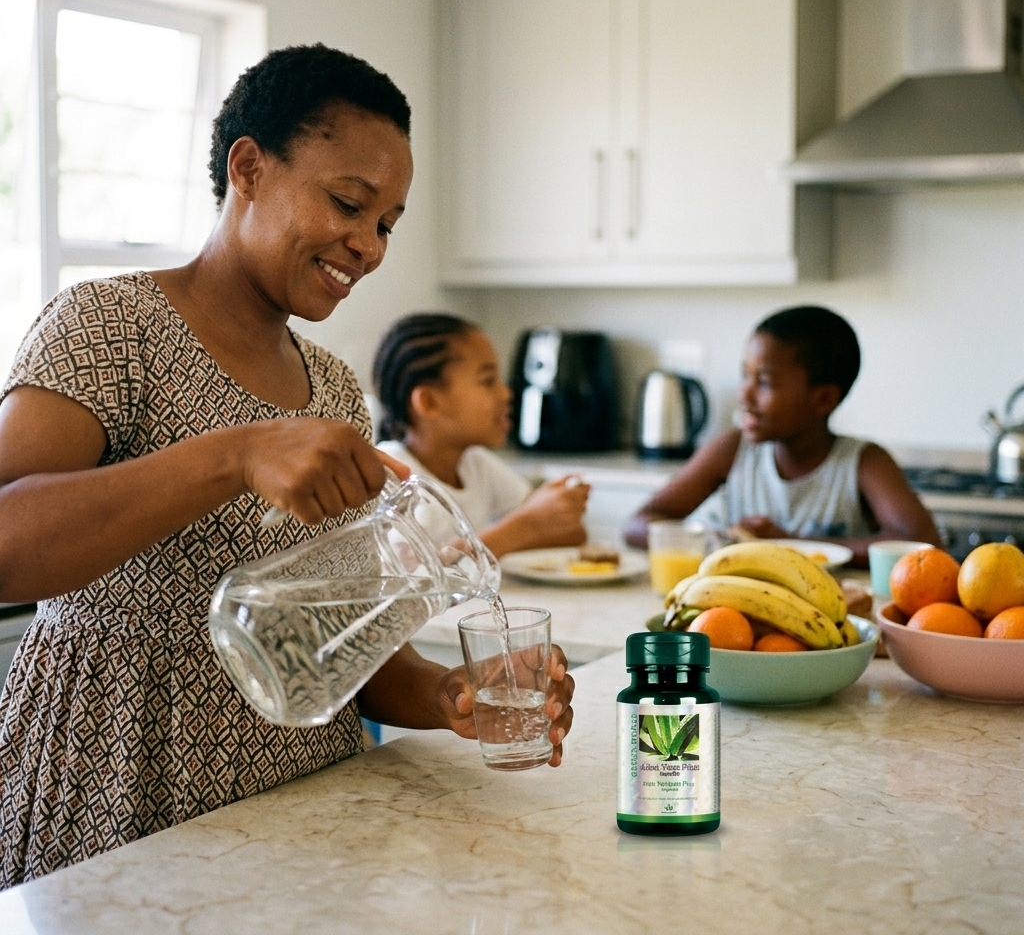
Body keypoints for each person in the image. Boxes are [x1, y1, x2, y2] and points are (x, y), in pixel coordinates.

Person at [0, 45, 574, 888]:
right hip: (116, 784)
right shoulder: (108, 326)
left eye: (386, 223)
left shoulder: (335, 391)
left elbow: (336, 643)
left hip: (300, 808)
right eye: (349, 202)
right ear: (249, 167)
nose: (369, 246)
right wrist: (235, 454)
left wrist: (450, 699)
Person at [625, 306, 940, 566]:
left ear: (823, 399)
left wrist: (787, 544)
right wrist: (714, 540)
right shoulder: (732, 450)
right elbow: (639, 523)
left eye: (764, 383)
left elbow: (921, 544)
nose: (744, 394)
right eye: (745, 375)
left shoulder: (864, 462)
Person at [373, 313, 590, 558]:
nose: (506, 393)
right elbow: (414, 577)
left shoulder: (475, 463)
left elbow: (569, 533)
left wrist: (553, 513)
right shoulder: (391, 475)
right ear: (429, 402)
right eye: (487, 381)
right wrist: (526, 526)